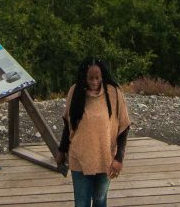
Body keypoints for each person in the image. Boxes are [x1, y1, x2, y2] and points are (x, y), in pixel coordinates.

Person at [55, 58, 131, 207]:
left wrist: (119, 158)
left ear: (102, 76)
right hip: (79, 158)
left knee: (100, 201)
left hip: (105, 158)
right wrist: (62, 151)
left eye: (97, 78)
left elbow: (124, 126)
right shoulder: (75, 92)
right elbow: (68, 123)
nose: (94, 82)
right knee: (82, 203)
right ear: (84, 77)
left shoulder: (114, 93)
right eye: (91, 78)